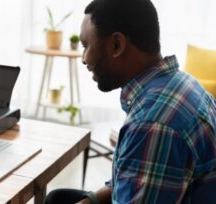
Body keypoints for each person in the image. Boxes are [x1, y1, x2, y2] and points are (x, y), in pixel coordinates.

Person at [45, 0, 216, 203]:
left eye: (86, 46)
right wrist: (90, 200)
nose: (83, 58)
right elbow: (139, 178)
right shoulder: (182, 84)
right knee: (58, 198)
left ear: (117, 45)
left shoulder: (153, 124)